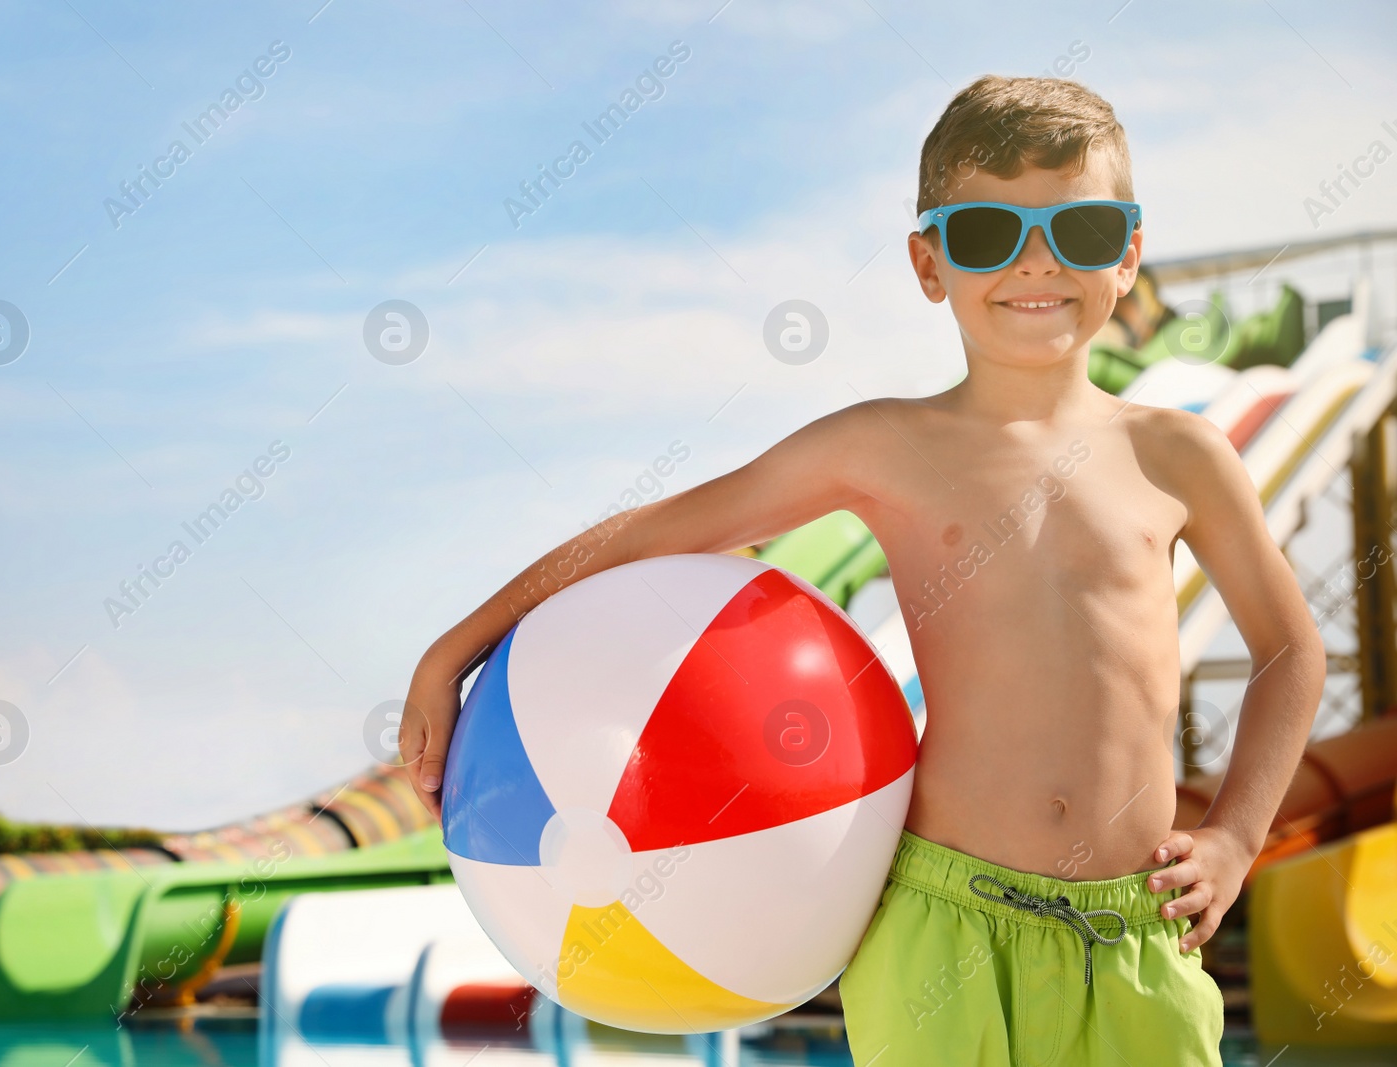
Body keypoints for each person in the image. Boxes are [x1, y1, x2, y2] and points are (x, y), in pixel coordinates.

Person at [400, 75, 1324, 1065]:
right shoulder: (886, 445)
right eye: (984, 235)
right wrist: (454, 647)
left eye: (1081, 230)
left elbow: (1288, 649)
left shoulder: (1180, 454)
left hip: (1131, 931)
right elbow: (658, 530)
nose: (1034, 262)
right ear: (929, 263)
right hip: (940, 922)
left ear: (1129, 252)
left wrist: (1234, 835)